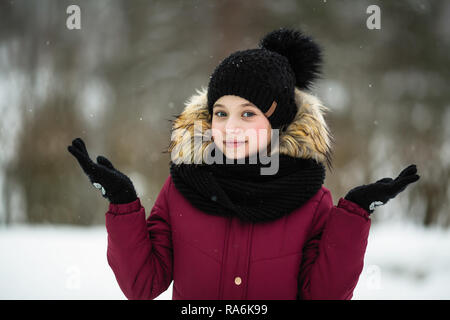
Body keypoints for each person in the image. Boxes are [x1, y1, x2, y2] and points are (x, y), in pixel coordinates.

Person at [67, 27, 420, 300]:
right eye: (220, 113)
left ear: (277, 120)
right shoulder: (182, 187)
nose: (230, 127)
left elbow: (323, 294)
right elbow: (142, 284)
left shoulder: (312, 201)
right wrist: (123, 203)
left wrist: (353, 215)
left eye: (248, 113)